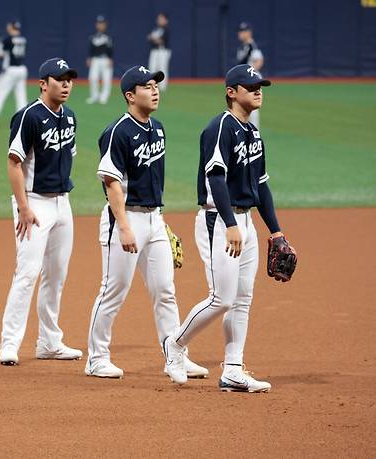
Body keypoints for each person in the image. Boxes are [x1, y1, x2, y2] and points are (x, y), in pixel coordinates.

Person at [163, 64, 295, 392]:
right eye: (250, 86)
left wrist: (275, 231)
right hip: (218, 220)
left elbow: (261, 186)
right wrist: (231, 223)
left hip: (244, 222)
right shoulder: (220, 128)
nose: (257, 90)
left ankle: (233, 369)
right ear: (231, 92)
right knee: (221, 298)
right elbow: (215, 177)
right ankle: (175, 345)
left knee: (242, 299)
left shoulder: (253, 132)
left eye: (259, 85)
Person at [86, 65, 207, 379]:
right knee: (113, 291)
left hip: (153, 219)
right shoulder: (117, 132)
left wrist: (159, 222)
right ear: (130, 95)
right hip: (124, 219)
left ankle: (175, 355)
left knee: (165, 290)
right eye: (147, 86)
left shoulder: (158, 128)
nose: (154, 90)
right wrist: (124, 225)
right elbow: (112, 182)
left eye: (156, 85)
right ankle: (96, 358)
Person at [0, 58, 82, 366]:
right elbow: (14, 162)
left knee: (56, 275)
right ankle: (9, 343)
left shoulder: (70, 117)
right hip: (33, 204)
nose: (66, 84)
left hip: (62, 203)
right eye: (60, 79)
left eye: (69, 79)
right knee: (28, 273)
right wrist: (23, 207)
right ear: (43, 84)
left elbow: (68, 155)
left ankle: (49, 342)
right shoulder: (28, 117)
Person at [236, 22, 264, 127]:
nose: (240, 34)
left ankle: (254, 133)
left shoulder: (252, 46)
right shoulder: (244, 47)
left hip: (251, 80)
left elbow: (259, 61)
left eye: (243, 31)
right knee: (242, 104)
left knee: (251, 105)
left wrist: (249, 72)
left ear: (248, 33)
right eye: (240, 31)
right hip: (245, 80)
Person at [86, 15, 113, 104]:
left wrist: (110, 58)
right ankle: (94, 96)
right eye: (99, 24)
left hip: (105, 59)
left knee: (106, 79)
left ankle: (104, 97)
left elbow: (111, 49)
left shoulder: (108, 36)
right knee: (93, 78)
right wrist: (89, 58)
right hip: (95, 59)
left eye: (102, 24)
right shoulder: (93, 36)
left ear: (105, 25)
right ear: (96, 25)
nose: (100, 25)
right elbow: (91, 49)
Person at [147, 13, 171, 92]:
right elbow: (149, 38)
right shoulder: (156, 29)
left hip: (163, 51)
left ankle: (163, 88)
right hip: (154, 51)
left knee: (162, 69)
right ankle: (152, 86)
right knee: (152, 68)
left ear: (165, 20)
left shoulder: (166, 29)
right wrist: (153, 38)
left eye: (161, 18)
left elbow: (161, 41)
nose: (159, 20)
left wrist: (153, 38)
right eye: (159, 18)